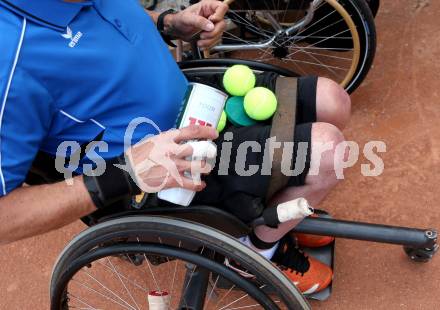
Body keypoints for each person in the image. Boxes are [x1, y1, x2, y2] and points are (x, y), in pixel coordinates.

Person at [0, 0, 350, 295]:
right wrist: (127, 172)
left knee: (333, 99)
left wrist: (169, 24)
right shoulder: (10, 65)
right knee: (327, 151)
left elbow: (109, 23)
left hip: (195, 101)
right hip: (160, 168)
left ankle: (276, 212)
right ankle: (253, 253)